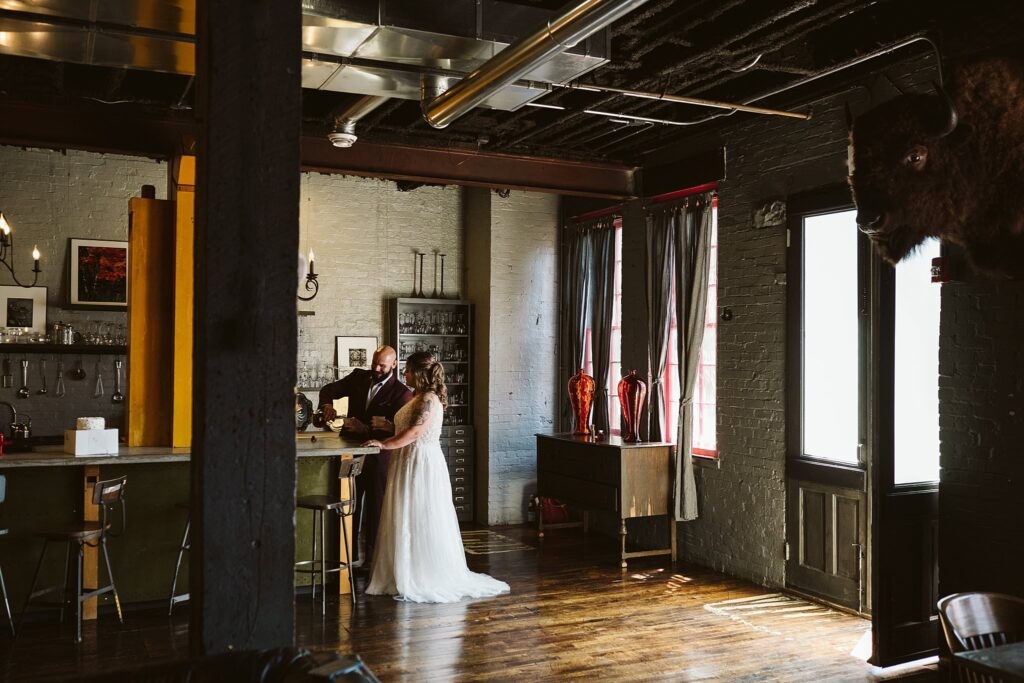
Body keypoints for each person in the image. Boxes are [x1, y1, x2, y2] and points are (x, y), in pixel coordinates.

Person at [363, 351, 510, 603]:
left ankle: (420, 574)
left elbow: (415, 432)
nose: (405, 373)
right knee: (405, 514)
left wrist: (383, 444)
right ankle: (401, 570)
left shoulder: (428, 400)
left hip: (419, 462)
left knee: (419, 514)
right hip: (408, 460)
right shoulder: (418, 397)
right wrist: (388, 428)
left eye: (408, 369)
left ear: (419, 373)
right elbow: (407, 427)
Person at [318, 345, 413, 566]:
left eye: (382, 365)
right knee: (349, 504)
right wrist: (326, 406)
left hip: (379, 458)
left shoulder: (402, 393)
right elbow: (328, 390)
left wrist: (366, 430)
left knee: (376, 509)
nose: (377, 368)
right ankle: (347, 559)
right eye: (374, 363)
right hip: (350, 453)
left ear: (394, 364)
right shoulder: (358, 377)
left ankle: (373, 561)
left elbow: (399, 431)